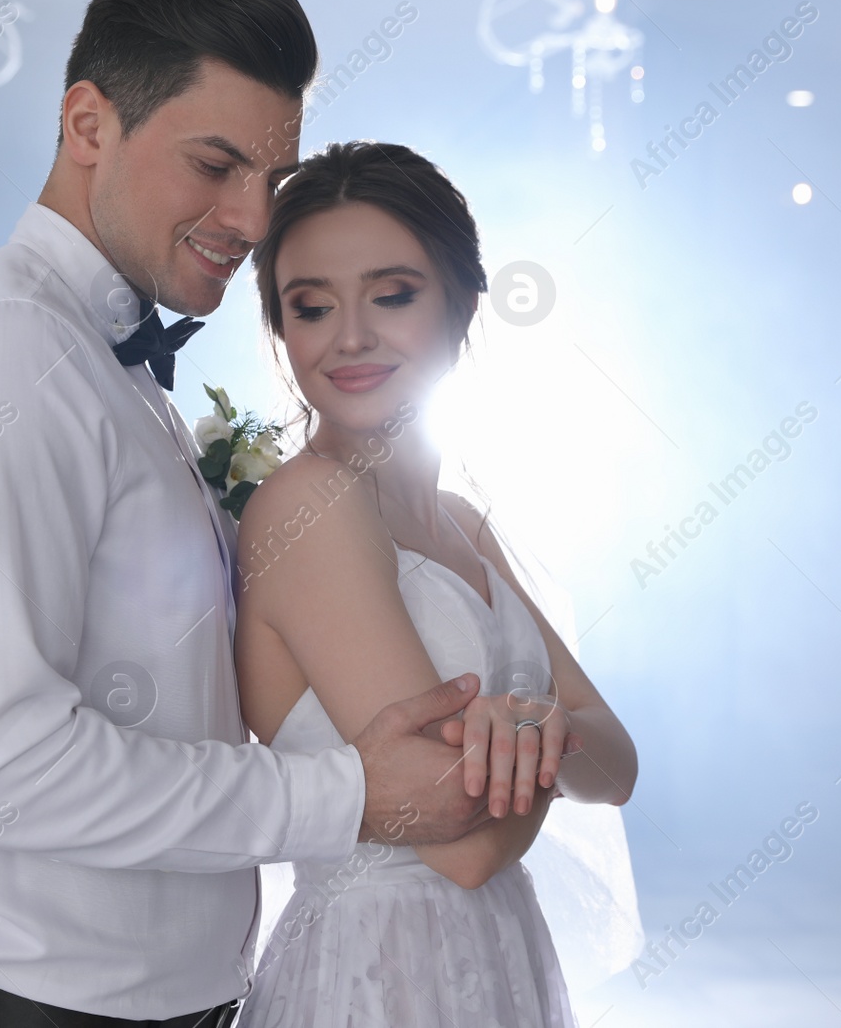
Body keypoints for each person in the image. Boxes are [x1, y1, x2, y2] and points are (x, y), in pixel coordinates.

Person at [0, 0, 566, 1026]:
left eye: (270, 176)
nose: (251, 217)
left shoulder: (110, 367)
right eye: (216, 165)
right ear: (88, 122)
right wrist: (351, 794)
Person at [232, 141, 640, 1026]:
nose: (350, 336)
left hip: (497, 961)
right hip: (372, 974)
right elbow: (458, 847)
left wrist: (535, 731)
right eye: (310, 306)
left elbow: (619, 764)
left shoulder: (464, 519)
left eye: (393, 294)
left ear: (462, 303)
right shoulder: (305, 505)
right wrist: (549, 738)